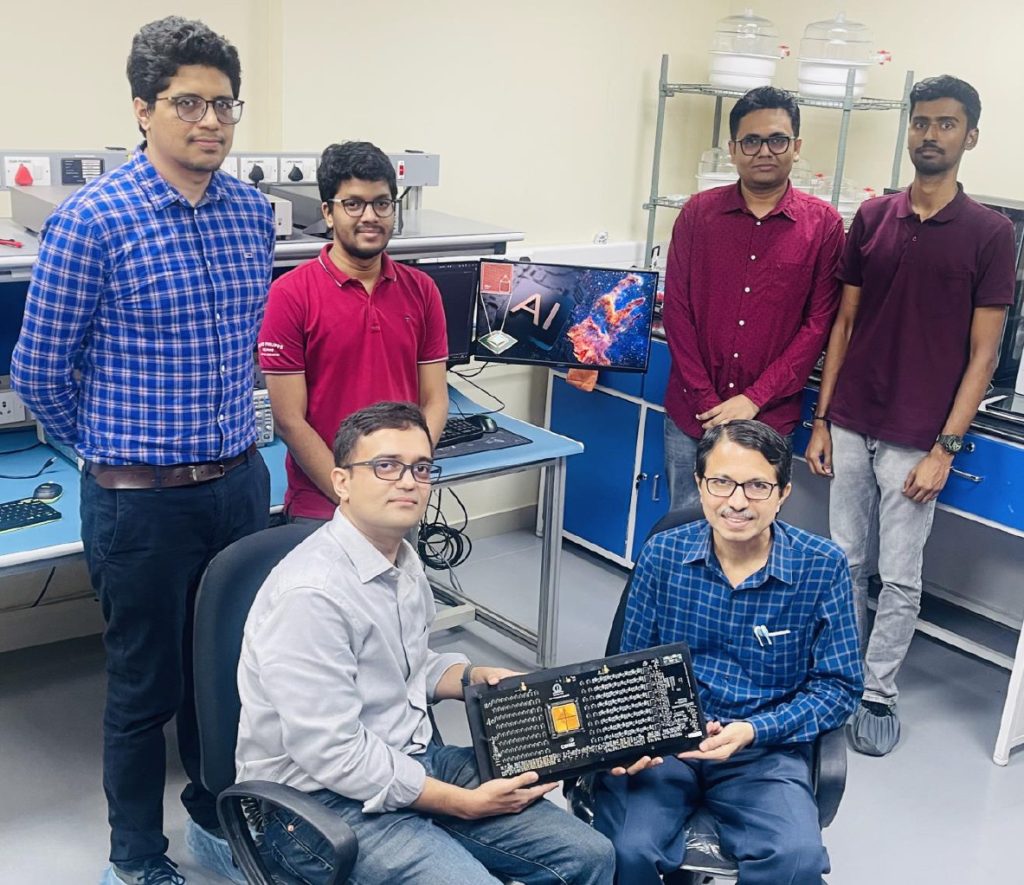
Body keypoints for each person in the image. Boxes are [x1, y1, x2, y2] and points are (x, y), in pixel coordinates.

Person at [10, 16, 274, 885]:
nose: (211, 121)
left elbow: (243, 345)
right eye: (188, 103)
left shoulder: (251, 216)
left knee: (225, 672)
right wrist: (111, 450)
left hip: (238, 485)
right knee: (144, 685)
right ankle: (135, 856)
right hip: (141, 502)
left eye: (224, 105)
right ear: (142, 108)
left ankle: (214, 814)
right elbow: (38, 371)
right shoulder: (94, 220)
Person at [235, 401, 614, 884]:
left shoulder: (401, 560)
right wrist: (462, 803)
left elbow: (408, 664)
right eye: (386, 466)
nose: (408, 481)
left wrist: (473, 676)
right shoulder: (311, 596)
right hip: (317, 804)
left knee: (589, 854)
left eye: (420, 468)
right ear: (342, 482)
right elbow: (334, 754)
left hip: (409, 759)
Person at [805, 75, 1016, 758]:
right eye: (921, 122)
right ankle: (838, 679)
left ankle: (878, 691)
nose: (931, 134)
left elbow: (984, 354)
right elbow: (844, 324)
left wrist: (945, 447)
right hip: (851, 418)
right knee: (842, 560)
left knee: (898, 573)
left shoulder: (990, 234)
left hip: (918, 434)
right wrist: (822, 419)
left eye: (946, 124)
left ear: (970, 136)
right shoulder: (872, 218)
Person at [593, 420, 862, 884]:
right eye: (721, 482)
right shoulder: (663, 554)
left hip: (764, 746)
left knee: (796, 859)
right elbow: (629, 667)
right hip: (667, 742)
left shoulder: (822, 566)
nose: (737, 501)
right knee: (626, 850)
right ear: (700, 484)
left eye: (757, 486)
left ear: (783, 492)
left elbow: (838, 688)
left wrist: (755, 730)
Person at [662, 86, 845, 511]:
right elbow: (677, 311)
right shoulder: (697, 214)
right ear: (733, 149)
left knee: (751, 529)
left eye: (777, 140)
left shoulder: (823, 226)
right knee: (685, 525)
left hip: (769, 419)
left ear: (796, 146)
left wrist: (754, 398)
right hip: (693, 415)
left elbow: (818, 325)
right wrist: (708, 403)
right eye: (751, 141)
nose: (764, 151)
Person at [257, 141, 449, 523]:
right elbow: (290, 420)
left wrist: (407, 475)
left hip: (399, 501)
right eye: (354, 204)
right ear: (328, 213)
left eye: (382, 203)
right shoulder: (290, 295)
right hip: (323, 507)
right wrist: (352, 498)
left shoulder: (422, 290)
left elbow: (435, 399)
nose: (370, 216)